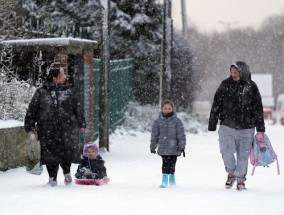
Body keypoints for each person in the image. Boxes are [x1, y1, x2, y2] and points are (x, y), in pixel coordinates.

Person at [208, 61, 265, 191]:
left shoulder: (251, 86)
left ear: (243, 72)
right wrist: (212, 122)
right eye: (232, 72)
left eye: (236, 72)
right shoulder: (225, 85)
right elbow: (216, 103)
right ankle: (231, 173)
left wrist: (260, 128)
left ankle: (240, 180)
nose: (233, 74)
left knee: (243, 155)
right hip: (227, 125)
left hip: (247, 127)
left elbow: (257, 108)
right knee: (225, 151)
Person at [25, 67, 86, 187]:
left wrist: (81, 123)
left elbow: (78, 108)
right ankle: (52, 178)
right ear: (55, 78)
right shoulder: (41, 92)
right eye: (63, 75)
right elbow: (32, 110)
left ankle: (67, 173)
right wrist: (30, 125)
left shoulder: (70, 91)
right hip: (47, 129)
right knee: (49, 153)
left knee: (66, 150)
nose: (65, 77)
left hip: (67, 128)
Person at [150, 100, 186, 188]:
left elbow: (181, 134)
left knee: (173, 163)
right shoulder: (157, 122)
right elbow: (154, 135)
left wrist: (182, 146)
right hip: (163, 147)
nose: (167, 110)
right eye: (165, 108)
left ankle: (172, 177)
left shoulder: (177, 121)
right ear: (162, 109)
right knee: (165, 163)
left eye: (169, 108)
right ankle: (164, 180)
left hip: (175, 147)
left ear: (172, 109)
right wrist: (153, 146)